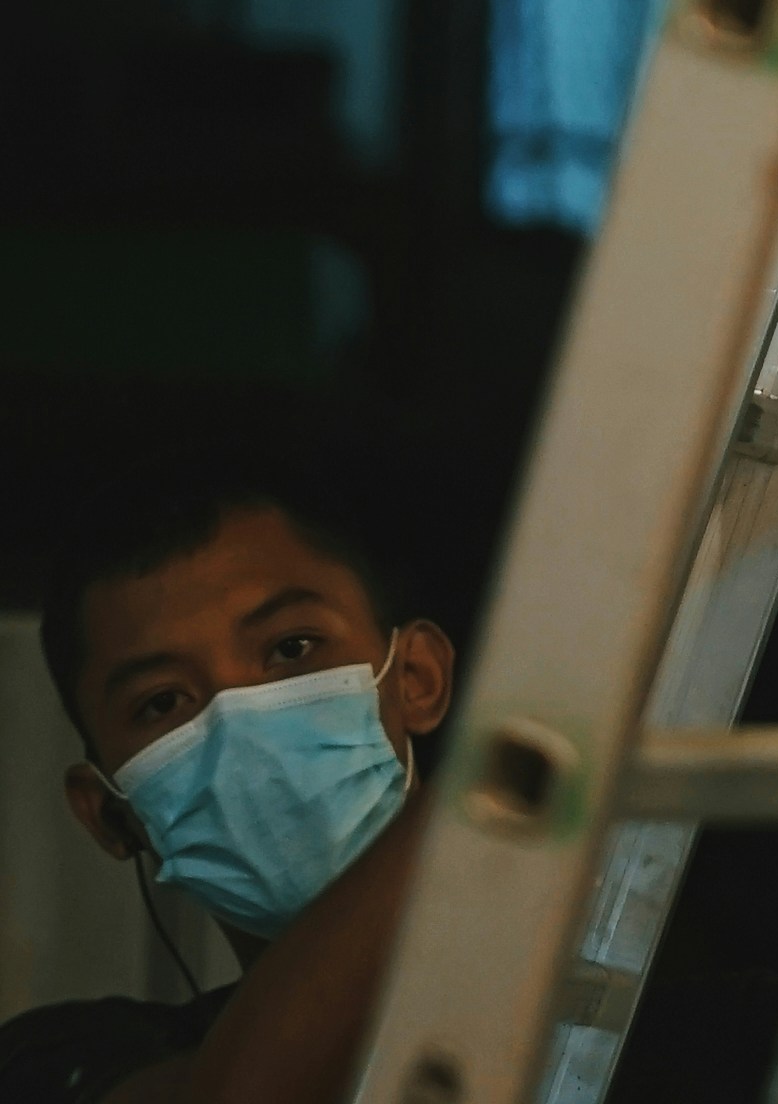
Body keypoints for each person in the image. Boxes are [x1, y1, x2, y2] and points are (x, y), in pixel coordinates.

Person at [1, 461, 454, 1104]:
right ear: (109, 815)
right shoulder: (59, 1062)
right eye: (162, 703)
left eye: (293, 649)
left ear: (416, 679)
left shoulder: (616, 977)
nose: (244, 724)